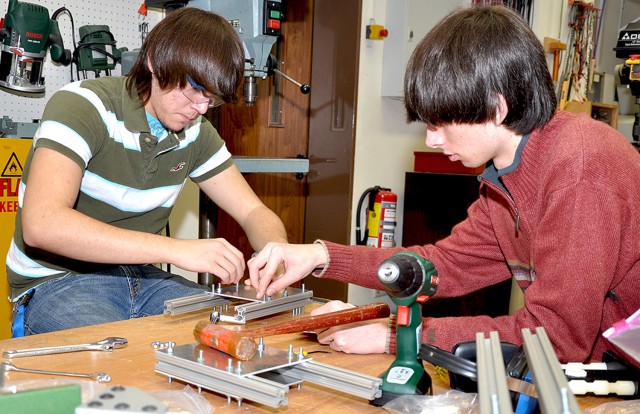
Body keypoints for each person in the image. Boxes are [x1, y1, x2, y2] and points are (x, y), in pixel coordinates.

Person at [248, 5, 640, 364]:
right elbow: (445, 267)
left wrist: (399, 337)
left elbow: (556, 339)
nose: (432, 140)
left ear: (497, 107)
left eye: (440, 123)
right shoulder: (507, 173)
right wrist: (323, 256)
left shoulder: (581, 170)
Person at [5, 8, 288, 336]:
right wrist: (178, 250)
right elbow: (42, 225)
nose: (201, 108)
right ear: (154, 61)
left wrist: (275, 252)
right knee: (109, 361)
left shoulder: (197, 132)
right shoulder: (82, 107)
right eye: (195, 89)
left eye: (212, 98)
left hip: (145, 279)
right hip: (60, 280)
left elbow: (254, 211)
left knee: (233, 333)